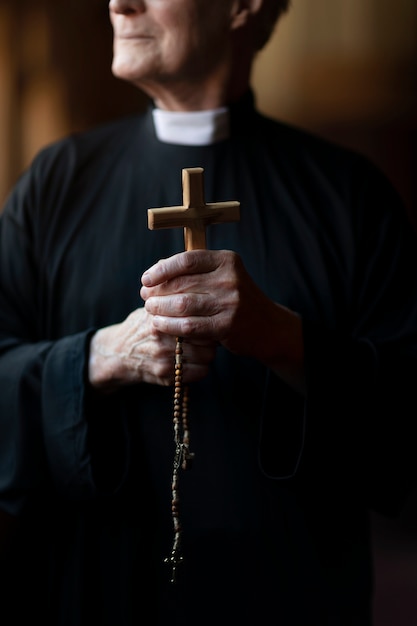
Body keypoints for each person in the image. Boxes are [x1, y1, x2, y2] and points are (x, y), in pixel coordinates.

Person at [1, 0, 417, 624]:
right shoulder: (55, 183)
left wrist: (282, 339)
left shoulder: (350, 197)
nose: (119, 3)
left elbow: (406, 428)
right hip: (99, 596)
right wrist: (97, 358)